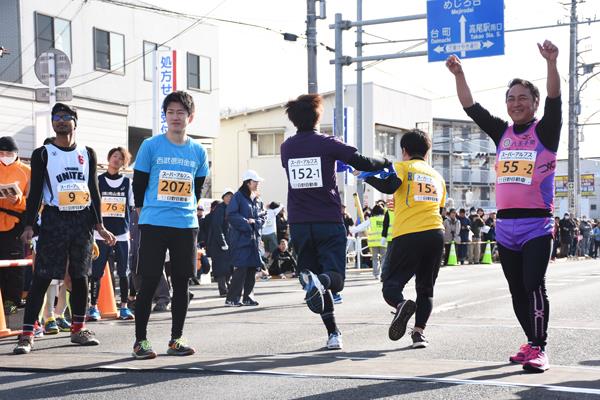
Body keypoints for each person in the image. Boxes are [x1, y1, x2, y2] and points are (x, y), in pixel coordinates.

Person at [446, 39, 560, 372]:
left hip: (536, 224)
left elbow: (555, 99)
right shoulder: (502, 133)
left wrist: (551, 63)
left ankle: (540, 348)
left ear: (534, 103)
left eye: (523, 98)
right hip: (505, 226)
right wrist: (459, 73)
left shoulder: (546, 131)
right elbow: (471, 107)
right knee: (515, 290)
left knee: (533, 285)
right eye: (511, 98)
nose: (516, 103)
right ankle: (530, 341)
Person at [280, 94, 391, 350]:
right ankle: (330, 319)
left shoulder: (287, 147)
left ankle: (333, 333)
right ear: (318, 116)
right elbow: (361, 161)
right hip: (327, 220)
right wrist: (385, 162)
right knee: (335, 280)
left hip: (298, 223)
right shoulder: (327, 143)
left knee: (314, 284)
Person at [14, 103, 117, 354]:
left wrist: (99, 226)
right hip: (54, 219)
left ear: (75, 122)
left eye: (65, 117)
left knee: (81, 277)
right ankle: (27, 334)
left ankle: (78, 329)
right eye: (56, 118)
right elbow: (36, 191)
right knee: (43, 276)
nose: (60, 121)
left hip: (81, 220)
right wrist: (29, 225)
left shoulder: (87, 153)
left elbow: (93, 191)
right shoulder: (43, 154)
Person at [132, 91, 209, 359]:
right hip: (154, 223)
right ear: (165, 116)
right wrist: (147, 213)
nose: (176, 117)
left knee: (181, 283)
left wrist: (184, 209)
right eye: (171, 112)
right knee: (150, 281)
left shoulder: (199, 151)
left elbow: (197, 189)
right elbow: (138, 185)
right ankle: (140, 341)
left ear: (191, 116)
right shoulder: (150, 146)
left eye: (181, 112)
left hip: (185, 225)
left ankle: (176, 339)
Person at [356, 129, 446, 348]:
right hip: (435, 233)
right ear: (427, 151)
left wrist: (367, 177)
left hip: (408, 234)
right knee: (426, 288)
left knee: (390, 285)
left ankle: (401, 304)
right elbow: (440, 210)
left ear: (404, 151)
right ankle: (418, 334)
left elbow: (389, 185)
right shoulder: (437, 177)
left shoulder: (403, 166)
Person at [88, 147, 135, 322]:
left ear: (124, 163)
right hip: (100, 234)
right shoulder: (97, 180)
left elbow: (131, 206)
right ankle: (93, 307)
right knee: (96, 272)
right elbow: (91, 206)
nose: (117, 160)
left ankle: (123, 307)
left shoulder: (127, 182)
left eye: (121, 158)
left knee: (123, 272)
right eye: (114, 156)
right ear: (109, 158)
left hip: (122, 234)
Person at [225, 170, 265, 307]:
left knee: (252, 269)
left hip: (254, 239)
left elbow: (262, 216)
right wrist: (247, 223)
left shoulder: (257, 198)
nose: (257, 183)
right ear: (248, 182)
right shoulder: (238, 197)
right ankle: (232, 298)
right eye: (255, 181)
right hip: (241, 239)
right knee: (241, 269)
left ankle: (248, 297)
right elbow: (231, 214)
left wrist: (256, 222)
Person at [0, 136, 30, 315]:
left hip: (15, 225)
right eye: (1, 153)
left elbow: (37, 202)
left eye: (8, 153)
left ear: (16, 153)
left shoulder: (27, 171)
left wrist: (18, 200)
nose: (4, 156)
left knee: (14, 267)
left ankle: (11, 302)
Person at [350, 204, 387, 280]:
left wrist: (352, 230)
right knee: (384, 258)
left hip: (374, 242)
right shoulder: (385, 218)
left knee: (375, 258)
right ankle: (384, 274)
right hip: (384, 242)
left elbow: (362, 226)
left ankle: (376, 274)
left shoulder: (371, 220)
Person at [207, 190, 233, 297]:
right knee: (221, 267)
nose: (229, 198)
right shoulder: (220, 209)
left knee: (229, 266)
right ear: (223, 197)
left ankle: (228, 286)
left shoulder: (231, 209)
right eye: (227, 196)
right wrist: (222, 242)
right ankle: (223, 289)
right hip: (218, 243)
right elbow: (217, 226)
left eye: (231, 196)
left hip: (228, 241)